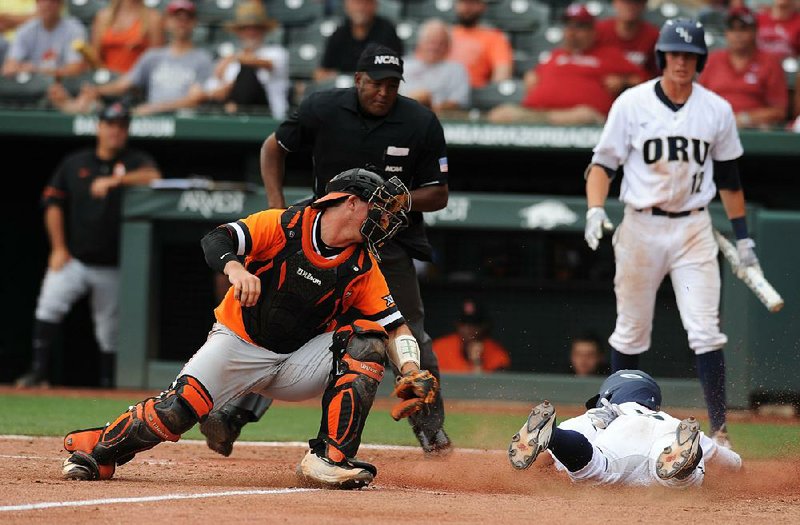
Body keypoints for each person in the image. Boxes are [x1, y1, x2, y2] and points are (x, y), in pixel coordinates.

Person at [61, 169, 439, 490]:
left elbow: (396, 327)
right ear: (352, 202)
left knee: (367, 339)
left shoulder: (364, 265)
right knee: (175, 412)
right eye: (382, 210)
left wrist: (410, 369)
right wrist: (236, 268)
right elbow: (216, 239)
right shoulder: (285, 224)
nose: (387, 222)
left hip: (297, 362)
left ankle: (329, 458)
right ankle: (96, 451)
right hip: (238, 343)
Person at [201, 43, 453, 458]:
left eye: (393, 85)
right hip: (321, 241)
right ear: (358, 79)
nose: (384, 92)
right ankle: (231, 417)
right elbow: (273, 148)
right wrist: (277, 207)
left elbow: (439, 192)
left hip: (389, 246)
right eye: (376, 83)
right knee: (287, 325)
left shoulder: (420, 121)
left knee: (408, 332)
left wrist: (399, 202)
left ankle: (431, 433)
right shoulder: (323, 108)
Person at [583, 18, 762, 449]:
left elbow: (730, 178)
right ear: (663, 57)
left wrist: (744, 237)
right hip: (641, 223)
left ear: (700, 60)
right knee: (630, 329)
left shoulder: (716, 109)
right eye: (674, 54)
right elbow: (602, 164)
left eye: (690, 55)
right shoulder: (632, 103)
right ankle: (612, 423)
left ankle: (719, 429)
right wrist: (593, 209)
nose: (682, 62)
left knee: (705, 329)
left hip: (693, 227)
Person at [15, 101, 161, 389]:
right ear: (99, 127)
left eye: (121, 126)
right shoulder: (76, 162)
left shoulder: (135, 161)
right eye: (110, 125)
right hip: (75, 259)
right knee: (49, 306)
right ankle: (38, 372)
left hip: (113, 265)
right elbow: (53, 204)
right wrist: (58, 247)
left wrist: (116, 181)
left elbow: (155, 177)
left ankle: (108, 386)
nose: (115, 132)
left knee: (109, 332)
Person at [508, 370, 743, 487]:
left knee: (596, 468)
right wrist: (738, 468)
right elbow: (731, 463)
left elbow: (543, 463)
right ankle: (684, 468)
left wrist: (555, 449)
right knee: (680, 483)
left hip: (621, 437)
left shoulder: (599, 415)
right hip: (668, 435)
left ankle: (553, 435)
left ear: (610, 395)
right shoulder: (669, 419)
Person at [488, 4, 646, 125]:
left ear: (592, 31)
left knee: (584, 116)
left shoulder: (608, 55)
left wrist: (623, 82)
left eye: (579, 26)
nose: (572, 31)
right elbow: (535, 79)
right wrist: (532, 77)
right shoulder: (556, 55)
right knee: (499, 114)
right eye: (569, 25)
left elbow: (643, 80)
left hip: (579, 115)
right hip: (537, 113)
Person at [49, 0, 213, 116]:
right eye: (177, 18)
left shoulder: (201, 58)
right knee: (93, 98)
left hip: (138, 96)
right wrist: (96, 90)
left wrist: (153, 108)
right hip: (117, 83)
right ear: (168, 22)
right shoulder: (154, 56)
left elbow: (196, 98)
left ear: (194, 22)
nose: (181, 23)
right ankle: (69, 106)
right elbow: (122, 80)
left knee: (115, 105)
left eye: (187, 19)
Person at [699, 7, 788, 129]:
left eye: (743, 29)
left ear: (755, 31)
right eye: (732, 29)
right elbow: (698, 101)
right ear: (726, 33)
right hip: (714, 126)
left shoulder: (770, 62)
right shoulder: (713, 60)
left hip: (754, 129)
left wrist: (745, 118)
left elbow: (779, 111)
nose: (737, 35)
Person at [203, 1, 289, 118]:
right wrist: (221, 90)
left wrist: (231, 61)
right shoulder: (231, 61)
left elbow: (263, 63)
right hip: (231, 110)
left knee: (247, 72)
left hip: (267, 113)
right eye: (245, 28)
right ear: (238, 32)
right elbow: (212, 89)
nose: (251, 32)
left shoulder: (276, 52)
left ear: (264, 30)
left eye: (256, 28)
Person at [315, 0, 403, 82]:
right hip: (344, 89)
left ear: (375, 5)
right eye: (356, 3)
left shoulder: (387, 31)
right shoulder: (339, 33)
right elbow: (322, 72)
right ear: (346, 5)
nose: (360, 8)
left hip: (376, 85)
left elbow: (396, 67)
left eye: (365, 3)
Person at [400, 19, 470, 115]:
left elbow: (459, 102)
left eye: (441, 43)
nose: (435, 47)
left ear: (448, 46)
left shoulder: (456, 70)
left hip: (441, 119)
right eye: (431, 42)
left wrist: (428, 106)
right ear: (420, 42)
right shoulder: (403, 65)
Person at [2, 0, 87, 78]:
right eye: (42, 1)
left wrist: (37, 70)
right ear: (36, 4)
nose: (46, 5)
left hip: (61, 83)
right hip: (32, 85)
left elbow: (75, 68)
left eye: (52, 2)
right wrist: (17, 68)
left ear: (61, 5)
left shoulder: (74, 29)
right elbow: (9, 67)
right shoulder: (26, 30)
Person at [432, 298, 510, 374]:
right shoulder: (440, 347)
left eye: (474, 323)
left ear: (484, 326)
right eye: (464, 322)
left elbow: (494, 386)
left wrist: (477, 363)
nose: (468, 328)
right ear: (457, 324)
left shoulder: (496, 353)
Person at [448, 0, 512, 88]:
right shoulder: (445, 35)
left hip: (475, 93)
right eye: (462, 3)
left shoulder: (494, 37)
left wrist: (490, 93)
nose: (466, 8)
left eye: (472, 3)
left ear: (482, 6)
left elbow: (502, 71)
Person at [90, 0, 164, 74]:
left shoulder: (152, 18)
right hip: (107, 78)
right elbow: (95, 56)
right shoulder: (103, 17)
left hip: (137, 80)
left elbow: (156, 60)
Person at [595, 0, 661, 78]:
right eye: (625, 2)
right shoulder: (598, 31)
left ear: (644, 5)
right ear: (615, 3)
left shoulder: (653, 36)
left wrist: (627, 81)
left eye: (636, 3)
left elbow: (657, 74)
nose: (630, 7)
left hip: (638, 87)